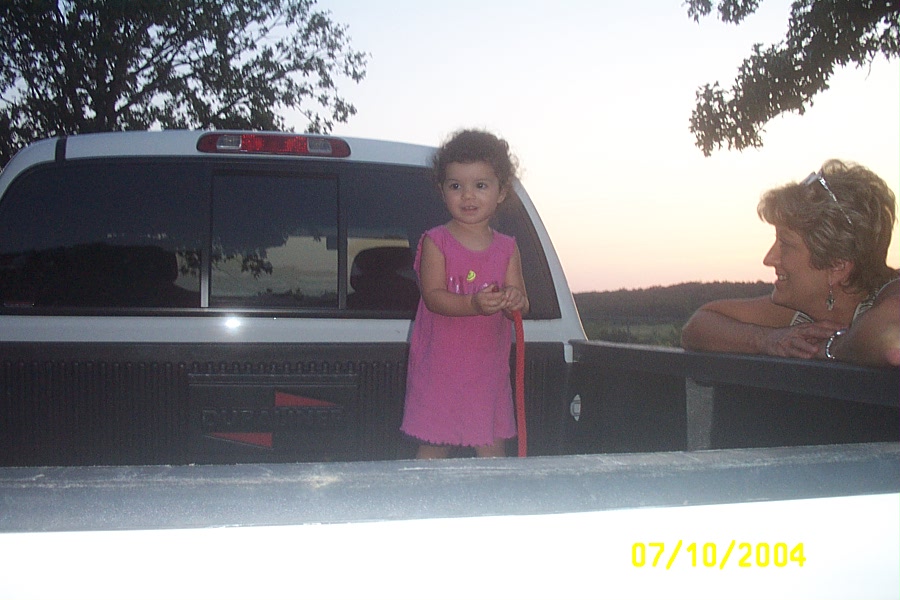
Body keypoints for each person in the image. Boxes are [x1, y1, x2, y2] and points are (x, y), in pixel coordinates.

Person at [681, 159, 900, 447]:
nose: (769, 258)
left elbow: (892, 345)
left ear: (836, 266)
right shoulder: (800, 313)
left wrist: (830, 348)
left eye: (785, 244)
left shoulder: (891, 293)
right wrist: (767, 340)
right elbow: (698, 326)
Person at [401, 129, 529, 459]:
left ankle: (495, 507)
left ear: (502, 192)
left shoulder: (507, 248)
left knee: (490, 445)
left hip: (487, 372)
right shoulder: (436, 241)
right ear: (442, 191)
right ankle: (421, 507)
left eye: (480, 185)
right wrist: (472, 303)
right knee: (434, 444)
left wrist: (513, 299)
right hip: (440, 370)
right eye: (456, 186)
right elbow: (433, 296)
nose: (467, 196)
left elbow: (521, 301)